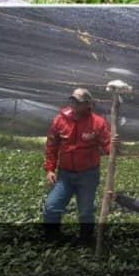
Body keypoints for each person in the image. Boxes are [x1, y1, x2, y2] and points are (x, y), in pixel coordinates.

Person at [42, 87, 111, 245]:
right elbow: (51, 146)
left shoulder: (98, 123)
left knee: (86, 210)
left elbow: (108, 146)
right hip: (64, 174)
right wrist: (50, 169)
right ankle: (53, 238)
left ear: (88, 104)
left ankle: (85, 240)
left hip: (88, 174)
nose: (74, 104)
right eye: (72, 100)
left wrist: (113, 147)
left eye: (78, 102)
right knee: (51, 206)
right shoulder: (59, 120)